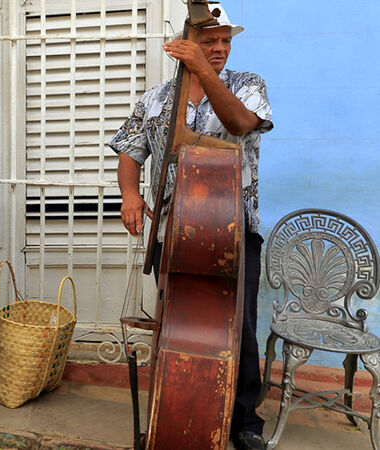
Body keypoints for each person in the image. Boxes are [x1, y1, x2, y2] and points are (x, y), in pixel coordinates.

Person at [108, 4, 272, 450]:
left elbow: (240, 124)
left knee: (239, 329)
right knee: (175, 327)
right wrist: (130, 194)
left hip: (233, 232)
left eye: (225, 40)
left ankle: (245, 420)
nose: (219, 48)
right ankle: (180, 406)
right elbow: (130, 151)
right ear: (187, 44)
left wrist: (203, 69)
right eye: (208, 41)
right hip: (173, 232)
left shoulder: (248, 85)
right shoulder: (155, 99)